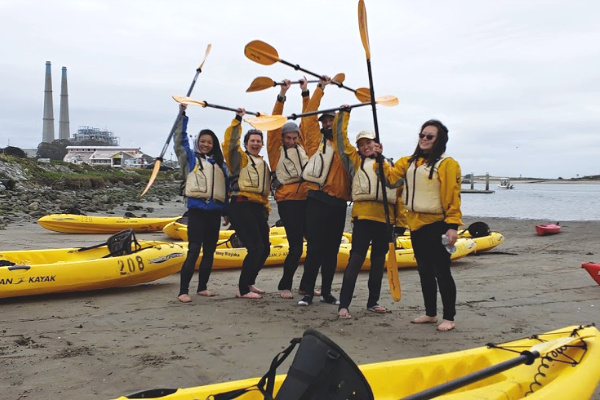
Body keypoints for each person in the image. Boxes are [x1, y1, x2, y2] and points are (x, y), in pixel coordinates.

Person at [375, 119, 463, 331]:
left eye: (429, 136)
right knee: (424, 270)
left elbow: (453, 196)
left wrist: (452, 226)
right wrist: (379, 158)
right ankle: (431, 313)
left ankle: (449, 317)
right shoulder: (408, 162)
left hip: (437, 224)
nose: (424, 139)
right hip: (415, 224)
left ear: (439, 140)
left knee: (441, 271)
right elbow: (389, 180)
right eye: (422, 135)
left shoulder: (447, 164)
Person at [332, 108, 397, 318]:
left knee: (378, 263)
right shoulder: (354, 161)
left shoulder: (388, 165)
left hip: (385, 219)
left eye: (369, 142)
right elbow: (340, 140)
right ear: (358, 148)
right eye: (362, 144)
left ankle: (373, 302)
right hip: (363, 219)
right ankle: (344, 304)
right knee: (356, 260)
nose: (366, 146)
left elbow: (399, 192)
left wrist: (400, 223)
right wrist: (344, 115)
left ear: (377, 144)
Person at [296, 76, 352, 306]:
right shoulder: (314, 141)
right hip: (317, 200)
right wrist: (318, 89)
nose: (328, 124)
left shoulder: (344, 146)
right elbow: (308, 117)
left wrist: (345, 114)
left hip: (338, 205)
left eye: (332, 121)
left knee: (331, 251)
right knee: (315, 250)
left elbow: (343, 132)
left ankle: (327, 292)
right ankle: (308, 292)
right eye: (325, 121)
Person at [173, 104, 228, 303]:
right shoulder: (191, 160)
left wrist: (226, 212)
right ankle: (183, 290)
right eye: (203, 141)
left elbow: (226, 189)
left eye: (209, 142)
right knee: (194, 249)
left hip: (214, 214)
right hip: (197, 213)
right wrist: (182, 115)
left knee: (210, 251)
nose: (205, 144)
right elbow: (180, 141)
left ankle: (202, 287)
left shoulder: (220, 164)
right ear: (198, 142)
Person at [266, 77, 311, 299]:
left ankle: (306, 286)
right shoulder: (275, 150)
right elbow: (274, 124)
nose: (292, 141)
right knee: (295, 246)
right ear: (282, 138)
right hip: (288, 202)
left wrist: (305, 91)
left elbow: (307, 121)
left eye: (295, 137)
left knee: (314, 245)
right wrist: (282, 94)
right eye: (288, 138)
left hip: (307, 200)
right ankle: (285, 285)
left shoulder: (302, 146)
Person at [223, 108, 271, 299]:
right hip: (241, 205)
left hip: (258, 207)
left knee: (265, 248)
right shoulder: (239, 158)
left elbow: (265, 193)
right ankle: (242, 289)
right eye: (252, 141)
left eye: (259, 141)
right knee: (255, 248)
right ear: (246, 143)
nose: (256, 144)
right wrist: (238, 120)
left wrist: (265, 214)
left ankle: (250, 282)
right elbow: (229, 144)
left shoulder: (263, 164)